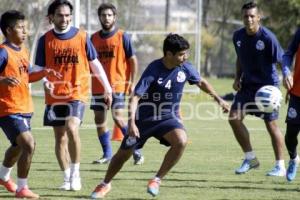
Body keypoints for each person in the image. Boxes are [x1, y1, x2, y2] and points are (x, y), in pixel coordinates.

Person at [90, 33, 230, 199]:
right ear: (169, 54)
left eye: (187, 53)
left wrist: (219, 99)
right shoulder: (154, 69)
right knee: (123, 155)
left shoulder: (185, 67)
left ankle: (156, 180)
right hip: (143, 120)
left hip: (167, 118)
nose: (185, 57)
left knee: (181, 141)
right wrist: (132, 124)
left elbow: (201, 82)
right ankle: (105, 184)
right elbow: (135, 96)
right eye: (181, 54)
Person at [35, 0, 112, 191]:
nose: (64, 18)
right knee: (60, 138)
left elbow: (95, 64)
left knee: (71, 127)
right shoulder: (45, 40)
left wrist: (108, 88)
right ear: (51, 17)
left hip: (77, 92)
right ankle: (67, 177)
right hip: (55, 96)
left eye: (67, 15)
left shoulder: (82, 36)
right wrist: (46, 83)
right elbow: (39, 68)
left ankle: (76, 173)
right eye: (60, 15)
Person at [0, 10, 61, 198]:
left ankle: (2, 176)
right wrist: (2, 80)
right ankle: (22, 188)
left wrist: (45, 72)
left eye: (26, 28)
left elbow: (27, 74)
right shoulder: (3, 52)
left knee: (17, 147)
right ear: (9, 30)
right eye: (20, 28)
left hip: (24, 107)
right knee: (29, 144)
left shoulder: (23, 50)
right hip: (8, 108)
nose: (25, 32)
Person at [228, 1, 290, 176]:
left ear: (258, 17)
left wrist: (286, 74)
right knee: (233, 118)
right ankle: (250, 158)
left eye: (252, 16)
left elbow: (282, 59)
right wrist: (237, 77)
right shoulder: (238, 36)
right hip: (247, 85)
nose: (248, 19)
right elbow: (240, 58)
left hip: (267, 87)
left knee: (271, 124)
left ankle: (280, 166)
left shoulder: (267, 38)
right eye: (246, 16)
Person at [90, 3, 143, 165]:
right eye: (103, 15)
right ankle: (107, 154)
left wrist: (132, 83)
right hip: (98, 86)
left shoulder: (122, 36)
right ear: (99, 17)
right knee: (99, 120)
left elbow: (133, 61)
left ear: (114, 17)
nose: (106, 18)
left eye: (109, 15)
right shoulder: (93, 38)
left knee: (118, 119)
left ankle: (137, 149)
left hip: (117, 85)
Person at [282, 28, 300, 182]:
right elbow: (288, 54)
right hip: (298, 92)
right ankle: (294, 158)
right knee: (291, 133)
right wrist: (287, 72)